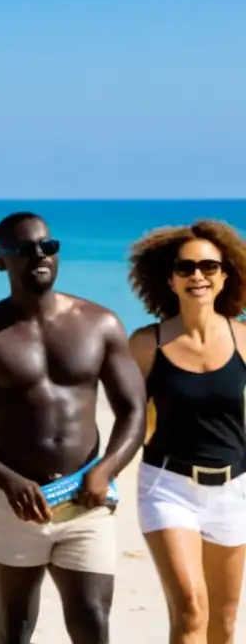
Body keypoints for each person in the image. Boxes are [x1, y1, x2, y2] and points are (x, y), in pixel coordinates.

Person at [0, 211, 147, 644]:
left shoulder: (101, 323)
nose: (39, 255)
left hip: (86, 497)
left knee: (93, 623)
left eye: (48, 246)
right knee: (15, 628)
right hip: (14, 503)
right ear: (0, 261)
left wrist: (106, 470)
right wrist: (5, 481)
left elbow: (134, 410)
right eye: (23, 250)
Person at [127, 220, 246, 644]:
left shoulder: (244, 339)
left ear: (225, 275)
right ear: (170, 279)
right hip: (168, 486)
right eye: (186, 267)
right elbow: (127, 420)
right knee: (191, 609)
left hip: (234, 491)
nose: (198, 275)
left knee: (224, 623)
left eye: (209, 267)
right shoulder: (147, 343)